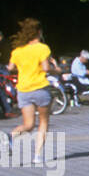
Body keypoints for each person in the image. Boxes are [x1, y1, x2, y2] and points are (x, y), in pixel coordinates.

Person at [6, 18, 58, 163]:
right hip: (40, 87)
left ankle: (12, 136)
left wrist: (23, 68)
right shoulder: (43, 48)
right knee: (43, 122)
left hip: (23, 89)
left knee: (28, 125)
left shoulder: (18, 51)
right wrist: (56, 69)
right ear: (39, 32)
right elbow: (46, 68)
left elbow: (10, 68)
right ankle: (37, 156)